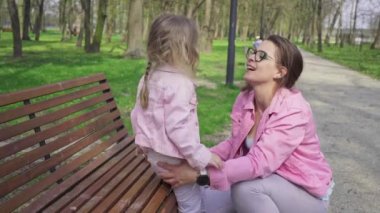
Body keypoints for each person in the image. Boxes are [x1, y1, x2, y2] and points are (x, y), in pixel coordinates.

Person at [157, 35, 334, 213]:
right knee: (205, 203)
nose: (251, 57)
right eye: (253, 52)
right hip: (265, 183)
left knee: (244, 190)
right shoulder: (246, 99)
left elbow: (258, 163)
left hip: (303, 192)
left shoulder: (293, 110)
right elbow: (232, 145)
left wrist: (199, 175)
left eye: (261, 56)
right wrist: (198, 159)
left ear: (280, 72)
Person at [130, 14, 222, 213]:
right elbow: (178, 129)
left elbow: (136, 114)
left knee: (195, 190)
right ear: (185, 48)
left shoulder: (148, 77)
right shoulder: (180, 84)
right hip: (173, 159)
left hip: (155, 156)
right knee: (192, 203)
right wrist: (201, 156)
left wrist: (142, 142)